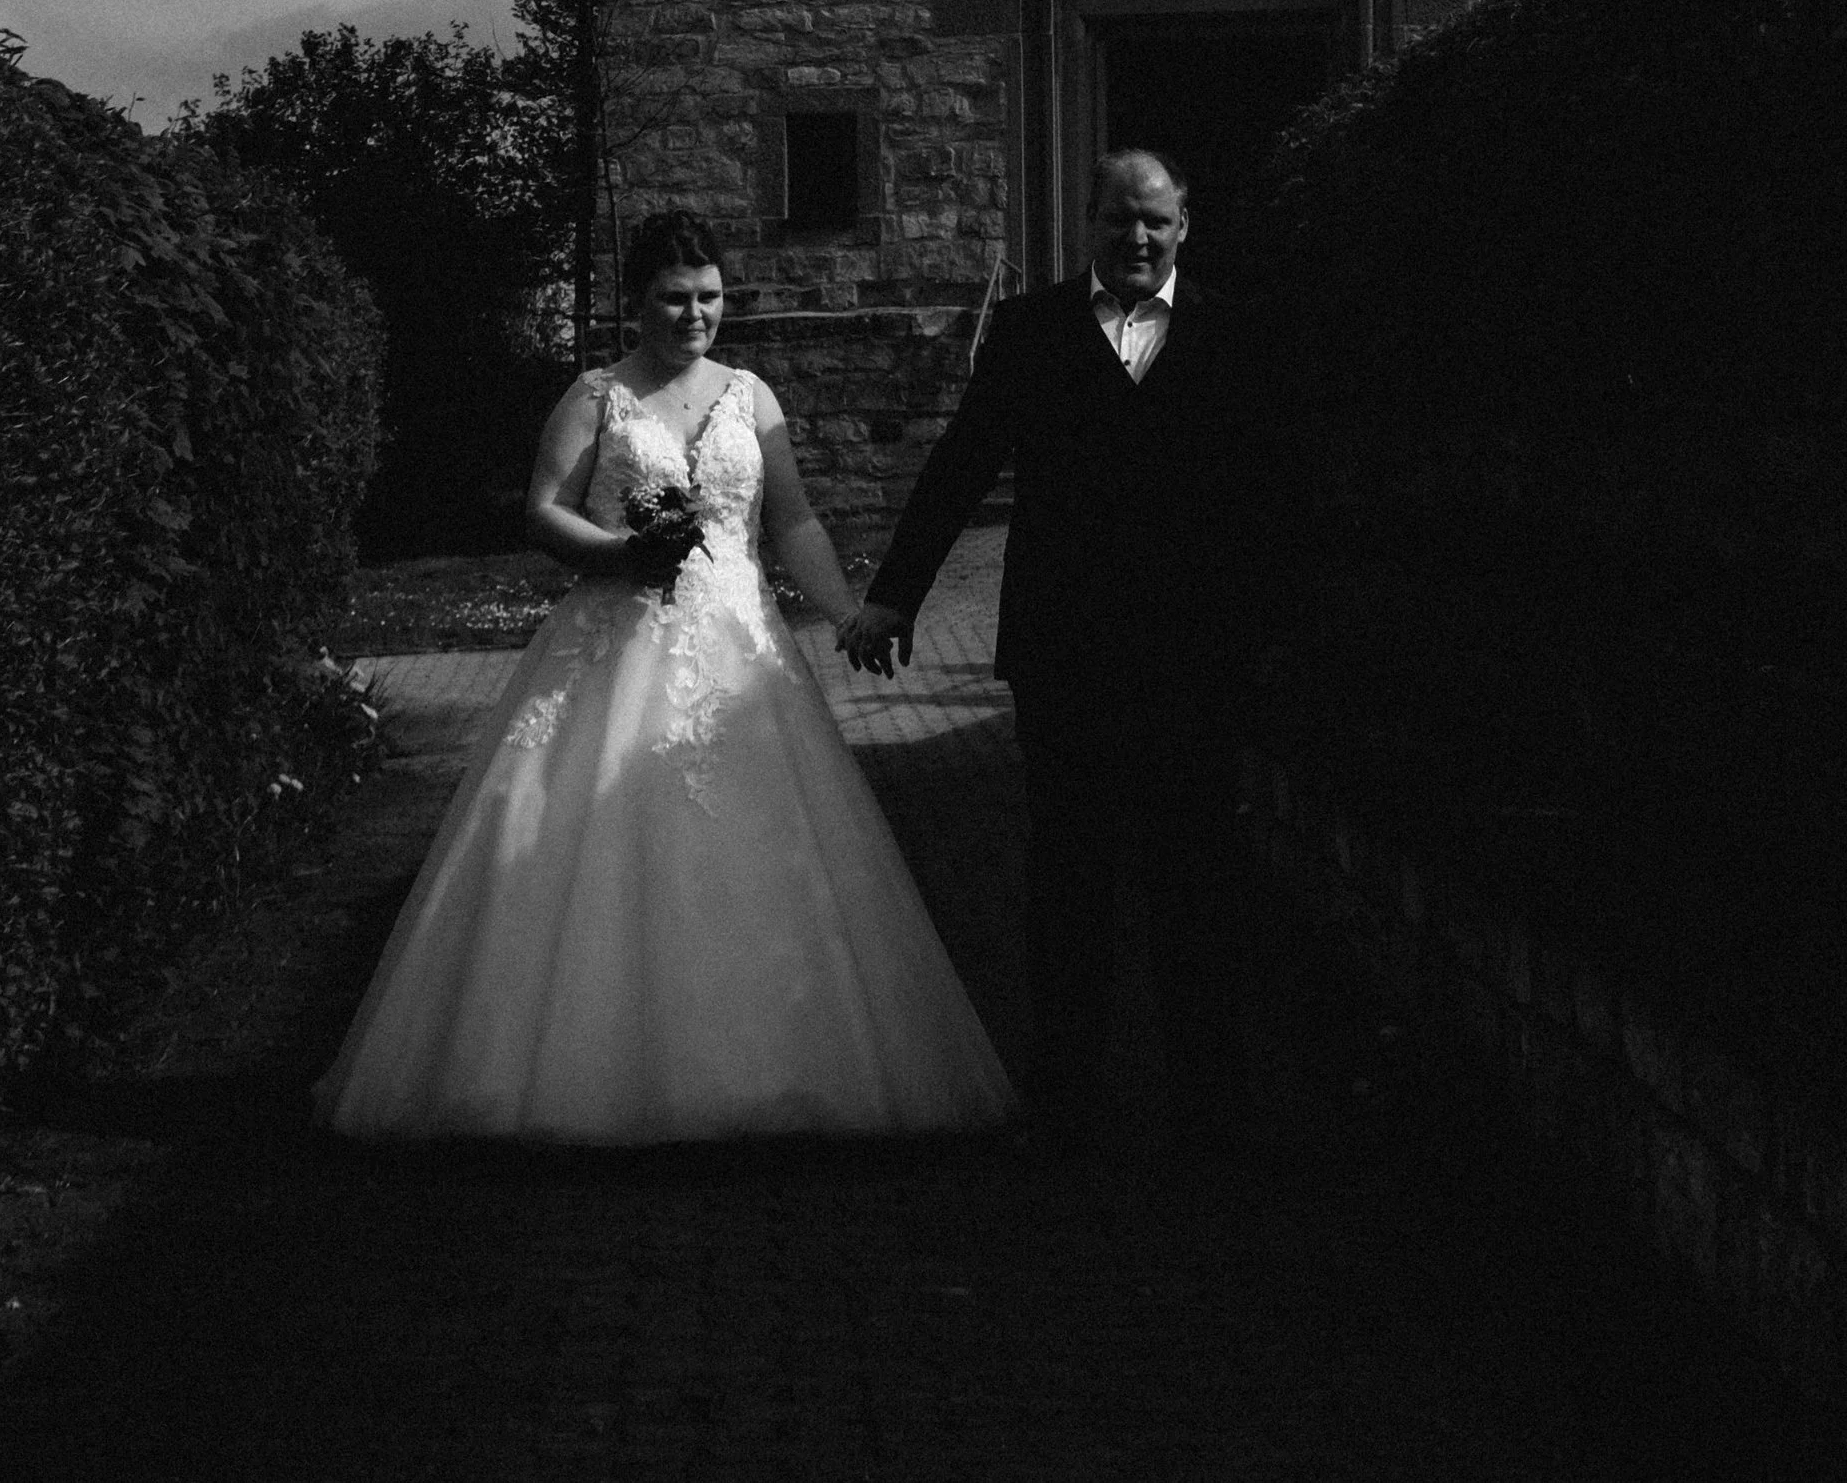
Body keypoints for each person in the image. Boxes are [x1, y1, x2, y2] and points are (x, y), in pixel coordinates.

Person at [314, 217, 1012, 1144]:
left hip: (739, 645)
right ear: (637, 303)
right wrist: (620, 554)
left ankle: (775, 1069)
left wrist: (846, 610)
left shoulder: (751, 396)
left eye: (711, 297)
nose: (697, 315)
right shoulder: (596, 395)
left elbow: (792, 520)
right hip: (616, 638)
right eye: (677, 298)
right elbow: (543, 512)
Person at [842, 148, 1251, 1157]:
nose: (1137, 237)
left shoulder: (1234, 335)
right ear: (1089, 224)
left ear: (1184, 226)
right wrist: (897, 595)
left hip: (1193, 659)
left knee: (1192, 876)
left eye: (1155, 220)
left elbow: (1267, 494)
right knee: (1068, 874)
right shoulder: (1030, 334)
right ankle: (1067, 1089)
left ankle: (1208, 1098)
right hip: (1066, 652)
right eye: (1119, 219)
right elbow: (960, 463)